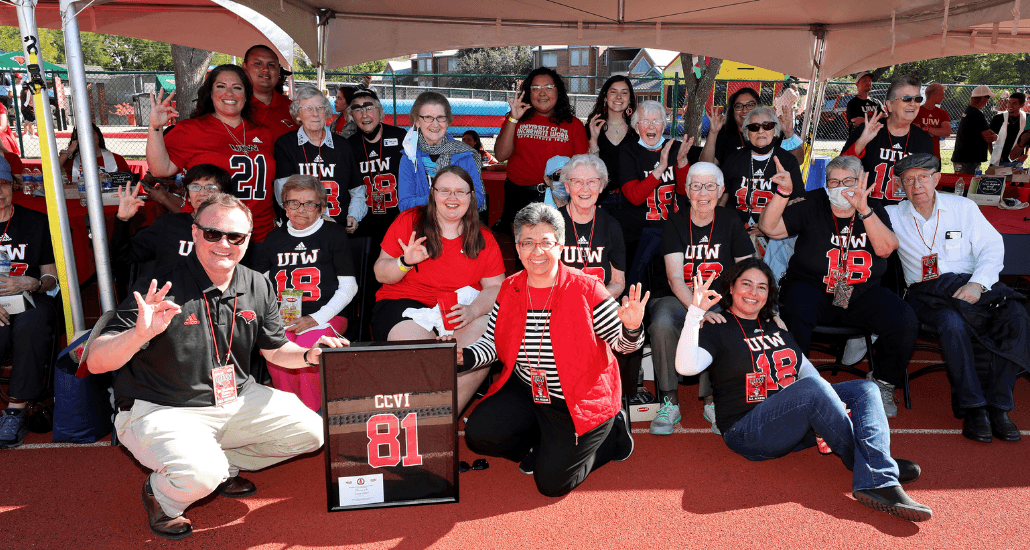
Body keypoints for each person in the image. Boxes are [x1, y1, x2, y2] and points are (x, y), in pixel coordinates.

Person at [84, 193, 344, 539]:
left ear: (248, 241)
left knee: (313, 432)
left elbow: (276, 350)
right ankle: (163, 497)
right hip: (161, 406)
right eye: (213, 234)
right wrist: (137, 335)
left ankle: (225, 466)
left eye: (236, 237)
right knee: (199, 473)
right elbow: (97, 361)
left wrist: (310, 355)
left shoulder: (258, 283)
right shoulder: (158, 286)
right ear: (195, 234)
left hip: (234, 397)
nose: (224, 244)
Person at [675, 259, 931, 522]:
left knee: (866, 388)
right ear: (730, 287)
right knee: (810, 390)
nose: (754, 293)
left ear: (769, 294)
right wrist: (695, 313)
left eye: (762, 287)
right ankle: (876, 473)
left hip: (792, 422)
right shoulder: (718, 325)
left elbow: (807, 372)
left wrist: (831, 408)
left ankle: (875, 465)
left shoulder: (776, 326)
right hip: (748, 431)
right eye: (746, 285)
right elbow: (686, 367)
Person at [461, 202, 647, 497]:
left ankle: (612, 437)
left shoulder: (588, 288)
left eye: (546, 243)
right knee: (480, 435)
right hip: (528, 389)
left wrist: (632, 328)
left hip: (576, 396)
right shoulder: (510, 288)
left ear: (560, 246)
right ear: (518, 249)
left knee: (551, 485)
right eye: (528, 243)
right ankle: (547, 442)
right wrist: (466, 356)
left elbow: (624, 346)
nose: (537, 252)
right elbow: (494, 343)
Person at [758, 154, 918, 419]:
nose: (840, 186)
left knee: (904, 319)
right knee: (795, 311)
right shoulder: (813, 203)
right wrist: (783, 193)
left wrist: (864, 210)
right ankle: (795, 383)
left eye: (848, 181)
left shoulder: (873, 207)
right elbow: (769, 228)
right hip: (812, 288)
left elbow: (886, 248)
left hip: (862, 292)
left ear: (861, 182)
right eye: (834, 181)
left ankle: (884, 383)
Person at [886, 153, 1029, 443]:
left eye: (923, 177)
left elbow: (991, 247)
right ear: (900, 185)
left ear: (937, 179)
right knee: (953, 323)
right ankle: (974, 407)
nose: (917, 185)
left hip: (972, 285)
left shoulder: (963, 207)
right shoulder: (890, 215)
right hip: (926, 293)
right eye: (909, 180)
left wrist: (977, 284)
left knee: (1017, 318)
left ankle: (999, 405)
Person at [372, 165, 505, 411]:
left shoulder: (484, 237)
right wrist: (405, 262)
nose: (452, 198)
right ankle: (424, 416)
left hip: (458, 311)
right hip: (403, 305)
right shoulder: (410, 220)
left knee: (483, 348)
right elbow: (381, 273)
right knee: (425, 358)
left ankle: (440, 422)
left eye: (460, 192)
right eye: (444, 190)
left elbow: (497, 288)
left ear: (471, 197)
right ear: (433, 194)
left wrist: (474, 310)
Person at [648, 162, 754, 436]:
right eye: (696, 186)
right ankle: (669, 400)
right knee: (661, 322)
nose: (703, 193)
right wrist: (698, 310)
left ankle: (712, 400)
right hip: (678, 297)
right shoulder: (675, 222)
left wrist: (738, 304)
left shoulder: (731, 221)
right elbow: (674, 278)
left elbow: (747, 270)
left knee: (718, 321)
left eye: (709, 186)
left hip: (719, 297)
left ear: (720, 191)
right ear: (686, 191)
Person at [252, 175, 356, 411]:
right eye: (294, 202)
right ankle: (291, 415)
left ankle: (313, 413)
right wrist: (273, 317)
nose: (302, 209)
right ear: (284, 206)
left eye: (310, 203)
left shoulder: (334, 235)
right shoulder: (273, 238)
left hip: (327, 316)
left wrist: (315, 318)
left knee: (311, 346)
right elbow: (260, 285)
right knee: (279, 346)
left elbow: (349, 287)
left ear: (321, 208)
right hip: (283, 317)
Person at [147, 64, 278, 243]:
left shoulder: (264, 133)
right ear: (210, 93)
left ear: (247, 95)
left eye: (237, 88)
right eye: (221, 86)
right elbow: (159, 170)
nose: (229, 93)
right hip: (210, 234)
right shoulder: (190, 129)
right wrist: (155, 127)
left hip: (260, 234)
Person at [0, 157, 60, 449]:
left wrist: (33, 282)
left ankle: (16, 409)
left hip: (30, 298)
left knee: (31, 324)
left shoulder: (35, 222)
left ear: (13, 186)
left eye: (3, 185)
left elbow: (51, 276)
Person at [494, 67, 588, 234]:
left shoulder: (574, 125)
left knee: (553, 249)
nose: (542, 93)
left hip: (558, 196)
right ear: (528, 93)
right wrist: (513, 118)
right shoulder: (516, 119)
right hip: (519, 195)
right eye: (536, 88)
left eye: (548, 87)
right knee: (523, 252)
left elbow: (581, 169)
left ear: (558, 91)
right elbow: (501, 155)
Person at [616, 100, 693, 289]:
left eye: (656, 121)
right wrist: (660, 169)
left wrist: (682, 163)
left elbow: (684, 192)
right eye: (645, 121)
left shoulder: (675, 148)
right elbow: (634, 196)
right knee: (635, 280)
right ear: (636, 127)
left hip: (672, 228)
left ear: (663, 126)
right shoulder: (628, 151)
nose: (651, 126)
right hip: (640, 229)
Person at [273, 83, 365, 231]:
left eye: (320, 108)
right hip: (301, 229)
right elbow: (283, 194)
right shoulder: (286, 144)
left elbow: (358, 190)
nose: (315, 114)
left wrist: (354, 216)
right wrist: (320, 219)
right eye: (308, 108)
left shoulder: (342, 145)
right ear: (297, 114)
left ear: (326, 112)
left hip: (338, 229)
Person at [111, 164, 230, 277]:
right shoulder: (167, 224)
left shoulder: (234, 230)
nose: (202, 192)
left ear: (224, 195)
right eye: (195, 187)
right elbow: (123, 256)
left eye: (210, 187)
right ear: (188, 196)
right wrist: (122, 219)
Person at [719, 106, 805, 256]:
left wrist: (769, 227)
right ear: (747, 132)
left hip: (775, 236)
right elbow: (722, 199)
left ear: (775, 130)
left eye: (767, 126)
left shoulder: (787, 161)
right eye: (754, 127)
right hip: (736, 232)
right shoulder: (734, 159)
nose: (760, 131)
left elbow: (797, 202)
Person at [841, 75, 935, 204]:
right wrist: (862, 141)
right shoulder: (869, 129)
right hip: (868, 211)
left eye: (917, 99)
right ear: (889, 105)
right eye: (907, 99)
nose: (913, 104)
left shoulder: (923, 139)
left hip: (905, 214)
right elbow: (840, 170)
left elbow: (929, 182)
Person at [398, 92, 485, 212]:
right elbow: (404, 204)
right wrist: (440, 198)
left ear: (448, 121)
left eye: (441, 117)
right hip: (422, 226)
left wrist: (442, 200)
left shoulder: (464, 155)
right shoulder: (409, 157)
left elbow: (478, 199)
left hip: (458, 225)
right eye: (428, 117)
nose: (435, 124)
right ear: (417, 121)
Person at [347, 89, 408, 243]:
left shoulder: (401, 137)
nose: (364, 114)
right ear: (352, 117)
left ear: (381, 113)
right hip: (366, 220)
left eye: (369, 108)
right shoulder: (348, 146)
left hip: (399, 218)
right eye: (358, 110)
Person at [700, 87, 804, 168]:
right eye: (739, 106)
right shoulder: (725, 133)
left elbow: (799, 160)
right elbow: (704, 167)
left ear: (758, 107)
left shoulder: (772, 131)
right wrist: (713, 133)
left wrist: (789, 133)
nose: (744, 110)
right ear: (733, 111)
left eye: (750, 105)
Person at [584, 75, 637, 208]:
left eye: (624, 93)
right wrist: (594, 140)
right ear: (605, 97)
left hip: (631, 202)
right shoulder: (592, 127)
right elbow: (589, 169)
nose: (619, 97)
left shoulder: (639, 128)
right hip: (600, 200)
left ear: (630, 99)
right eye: (613, 92)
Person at [241, 45, 297, 142]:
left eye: (271, 65)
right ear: (244, 67)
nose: (265, 69)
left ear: (278, 71)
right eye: (258, 63)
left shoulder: (294, 109)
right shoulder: (231, 107)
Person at [58, 123, 131, 182]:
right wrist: (69, 151)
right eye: (83, 135)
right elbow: (52, 172)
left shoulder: (117, 159)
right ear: (76, 139)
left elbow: (129, 182)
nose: (89, 137)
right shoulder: (71, 161)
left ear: (98, 135)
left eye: (92, 133)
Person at [951, 85, 998, 175]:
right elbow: (988, 137)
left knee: (964, 184)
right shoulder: (977, 114)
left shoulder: (969, 111)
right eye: (988, 97)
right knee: (967, 185)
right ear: (982, 98)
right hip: (969, 160)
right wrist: (996, 136)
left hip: (964, 157)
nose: (988, 100)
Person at [989, 91, 1026, 168]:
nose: (1010, 105)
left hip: (1017, 160)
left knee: (1014, 180)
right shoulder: (998, 118)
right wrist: (993, 153)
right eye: (1009, 102)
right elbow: (988, 138)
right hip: (998, 160)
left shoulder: (1026, 119)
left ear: (1022, 105)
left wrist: (1026, 155)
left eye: (1014, 103)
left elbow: (1028, 140)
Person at [915, 83, 951, 160]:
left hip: (935, 156)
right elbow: (917, 132)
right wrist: (937, 131)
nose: (944, 97)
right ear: (933, 95)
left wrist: (926, 129)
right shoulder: (917, 111)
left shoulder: (942, 113)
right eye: (941, 94)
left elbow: (947, 132)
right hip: (919, 157)